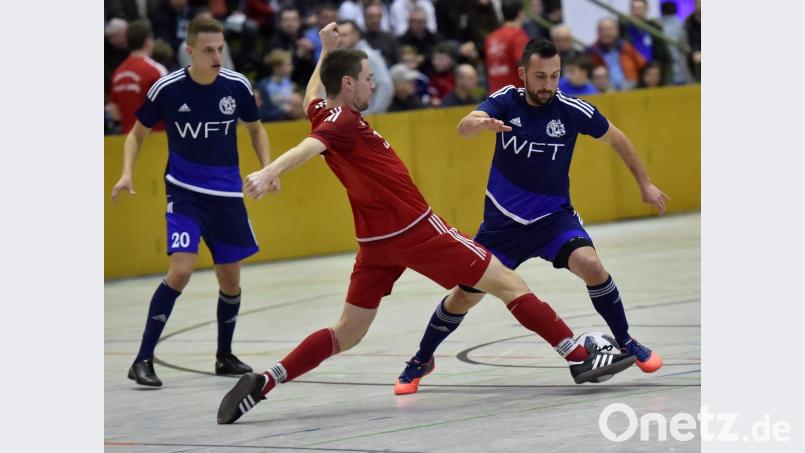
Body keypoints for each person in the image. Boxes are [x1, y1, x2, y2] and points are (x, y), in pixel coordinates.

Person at [216, 23, 635, 425]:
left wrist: (325, 52)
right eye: (366, 78)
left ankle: (267, 380)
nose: (373, 84)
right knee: (509, 283)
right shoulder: (341, 122)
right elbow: (310, 145)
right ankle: (578, 357)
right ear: (348, 85)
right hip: (416, 230)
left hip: (374, 241)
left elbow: (312, 97)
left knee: (348, 331)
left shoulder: (328, 112)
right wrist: (271, 170)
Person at [394, 39, 669, 395]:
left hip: (553, 219)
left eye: (554, 76)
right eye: (540, 76)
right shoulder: (506, 100)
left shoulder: (572, 110)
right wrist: (478, 124)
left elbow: (617, 139)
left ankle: (626, 341)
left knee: (591, 265)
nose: (548, 85)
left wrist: (645, 184)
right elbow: (466, 124)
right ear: (523, 73)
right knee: (463, 297)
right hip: (502, 227)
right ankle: (421, 359)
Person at [110, 15, 279, 387]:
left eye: (220, 48)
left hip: (227, 195)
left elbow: (256, 129)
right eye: (208, 50)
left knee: (230, 281)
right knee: (181, 270)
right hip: (184, 194)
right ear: (190, 51)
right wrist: (126, 173)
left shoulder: (236, 86)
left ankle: (224, 355)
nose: (216, 55)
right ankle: (141, 360)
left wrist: (268, 169)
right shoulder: (167, 88)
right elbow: (137, 135)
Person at [108, 20, 168, 134]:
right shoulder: (156, 70)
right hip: (155, 140)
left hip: (127, 141)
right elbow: (168, 106)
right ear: (148, 41)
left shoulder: (117, 73)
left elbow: (114, 112)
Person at [337, 20, 394, 114]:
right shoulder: (339, 58)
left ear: (356, 35)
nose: (340, 40)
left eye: (344, 35)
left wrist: (374, 114)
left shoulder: (368, 56)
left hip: (366, 119)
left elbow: (385, 86)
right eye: (338, 35)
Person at [587, 17, 646, 91]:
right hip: (602, 91)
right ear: (598, 32)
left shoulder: (626, 47)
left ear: (617, 31)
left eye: (609, 29)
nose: (606, 33)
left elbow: (643, 65)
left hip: (631, 88)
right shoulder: (592, 51)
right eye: (602, 30)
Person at [484, 0, 530, 92]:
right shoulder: (518, 36)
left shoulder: (491, 38)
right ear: (520, 13)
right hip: (515, 96)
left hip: (495, 97)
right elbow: (525, 66)